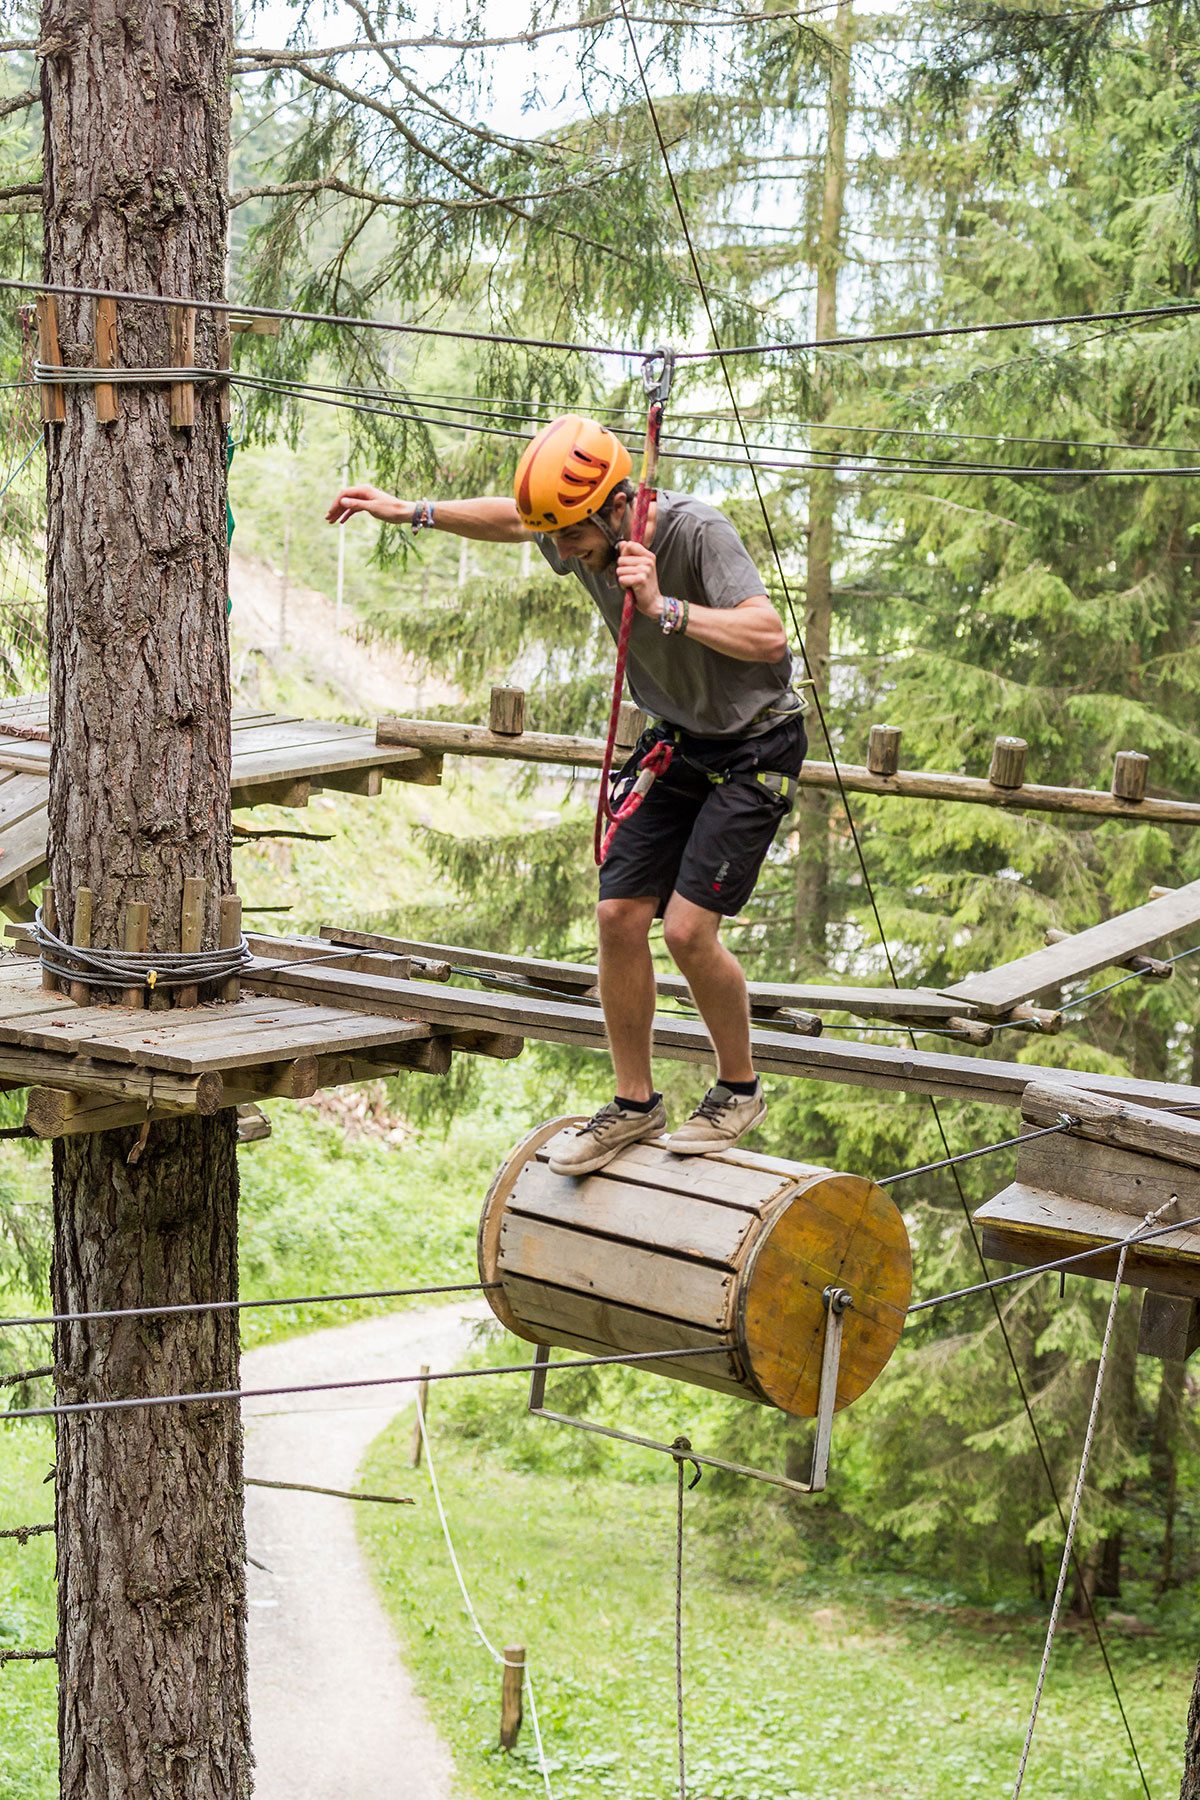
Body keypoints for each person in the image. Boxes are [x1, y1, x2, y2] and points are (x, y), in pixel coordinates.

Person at [327, 413, 807, 1175]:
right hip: (678, 740)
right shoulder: (575, 529)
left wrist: (664, 608)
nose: (561, 552)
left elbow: (768, 636)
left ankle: (738, 1091)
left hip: (755, 746)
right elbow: (509, 520)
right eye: (553, 537)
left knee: (688, 933)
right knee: (618, 916)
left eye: (573, 536)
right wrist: (411, 510)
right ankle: (634, 1104)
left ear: (618, 507)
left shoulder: (696, 531)